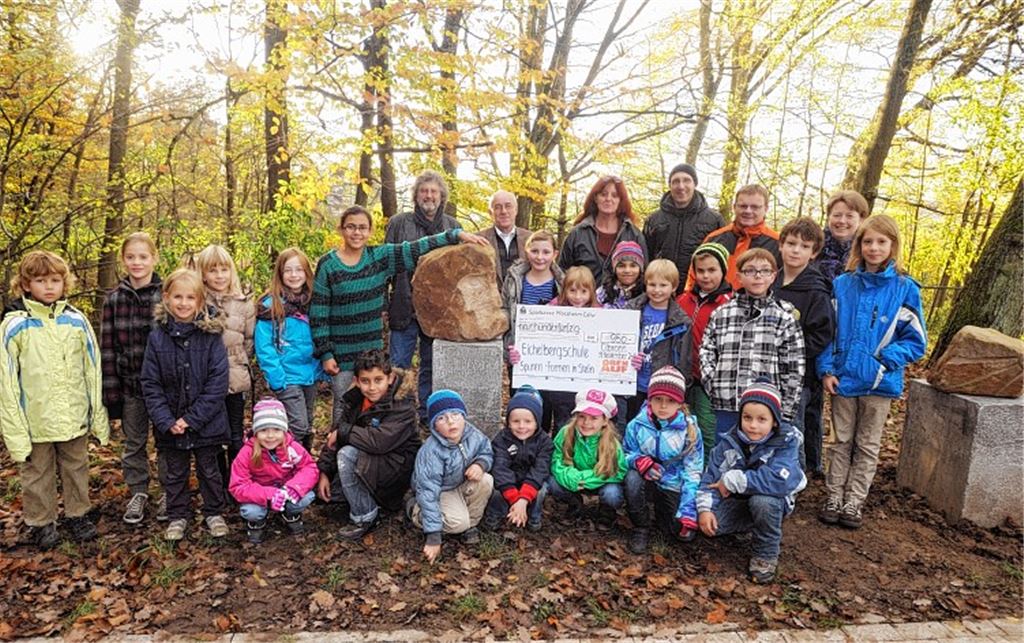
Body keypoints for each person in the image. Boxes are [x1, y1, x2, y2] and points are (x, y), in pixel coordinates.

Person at [313, 203, 484, 426]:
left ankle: (368, 457)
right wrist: (326, 354)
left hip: (370, 353)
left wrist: (455, 234)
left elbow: (417, 247)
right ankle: (337, 456)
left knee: (371, 410)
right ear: (342, 229)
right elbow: (318, 312)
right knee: (343, 409)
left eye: (363, 228)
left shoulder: (379, 257)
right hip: (341, 355)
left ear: (370, 231)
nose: (357, 233)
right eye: (351, 227)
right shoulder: (328, 265)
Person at [818, 215, 925, 529]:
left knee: (867, 445)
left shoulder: (905, 288)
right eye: (868, 242)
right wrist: (826, 369)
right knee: (839, 441)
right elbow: (829, 332)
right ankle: (833, 497)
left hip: (879, 382)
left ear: (893, 245)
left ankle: (854, 502)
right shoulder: (843, 284)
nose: (874, 248)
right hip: (843, 379)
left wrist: (884, 361)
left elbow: (916, 340)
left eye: (881, 241)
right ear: (858, 245)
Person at [0, 251, 109, 549]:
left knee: (77, 466)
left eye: (55, 280)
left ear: (64, 283)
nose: (48, 287)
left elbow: (92, 369)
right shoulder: (14, 325)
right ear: (25, 285)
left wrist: (96, 415)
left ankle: (77, 514)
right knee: (37, 473)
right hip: (35, 419)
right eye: (40, 280)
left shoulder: (76, 321)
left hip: (73, 415)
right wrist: (15, 430)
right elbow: (6, 382)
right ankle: (41, 521)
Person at [141, 268, 231, 542]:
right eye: (177, 297)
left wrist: (192, 418)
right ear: (166, 298)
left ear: (200, 302)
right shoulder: (157, 338)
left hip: (206, 422)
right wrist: (167, 421)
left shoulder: (211, 336)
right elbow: (150, 383)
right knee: (175, 472)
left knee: (209, 469)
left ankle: (214, 511)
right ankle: (177, 515)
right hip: (171, 424)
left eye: (190, 298)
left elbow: (218, 382)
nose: (183, 303)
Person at [697, 379, 807, 584]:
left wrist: (732, 480)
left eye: (761, 419)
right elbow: (709, 480)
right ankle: (748, 523)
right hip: (738, 501)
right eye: (747, 417)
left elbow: (779, 481)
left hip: (773, 501)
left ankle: (765, 554)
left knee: (763, 502)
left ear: (774, 421)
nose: (753, 425)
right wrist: (705, 510)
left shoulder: (787, 442)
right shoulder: (728, 442)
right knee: (707, 524)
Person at [699, 248, 804, 442]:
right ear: (738, 276)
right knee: (726, 458)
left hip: (766, 408)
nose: (757, 276)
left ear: (773, 276)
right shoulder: (722, 314)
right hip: (727, 401)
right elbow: (707, 351)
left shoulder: (783, 317)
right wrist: (712, 383)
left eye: (764, 271)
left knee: (761, 463)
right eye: (749, 271)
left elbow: (795, 367)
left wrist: (786, 410)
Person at [315, 349, 421, 540]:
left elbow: (378, 441)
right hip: (371, 461)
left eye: (378, 380)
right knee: (328, 496)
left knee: (346, 454)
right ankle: (359, 495)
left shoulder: (403, 403)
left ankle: (365, 515)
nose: (372, 387)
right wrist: (324, 472)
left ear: (390, 378)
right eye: (365, 381)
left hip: (397, 469)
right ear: (356, 380)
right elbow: (336, 433)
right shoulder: (355, 399)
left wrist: (343, 432)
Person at [101, 232, 166, 525]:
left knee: (167, 441)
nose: (137, 262)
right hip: (130, 386)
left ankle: (169, 491)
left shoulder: (167, 294)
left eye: (143, 256)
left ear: (154, 258)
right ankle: (138, 491)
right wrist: (111, 395)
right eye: (131, 257)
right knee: (134, 442)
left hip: (165, 387)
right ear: (123, 260)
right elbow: (109, 349)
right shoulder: (114, 299)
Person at [385, 171, 461, 424]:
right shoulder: (398, 223)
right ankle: (400, 416)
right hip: (403, 307)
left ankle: (428, 416)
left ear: (442, 197)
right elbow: (388, 264)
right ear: (416, 195)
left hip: (438, 313)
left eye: (434, 192)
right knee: (398, 366)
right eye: (424, 191)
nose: (429, 196)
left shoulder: (453, 226)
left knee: (432, 366)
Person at [772, 218, 833, 475]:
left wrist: (791, 352)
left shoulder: (816, 290)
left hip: (800, 374)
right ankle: (773, 469)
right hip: (767, 368)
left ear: (814, 252)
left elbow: (823, 334)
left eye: (804, 246)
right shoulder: (770, 282)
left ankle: (798, 473)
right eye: (791, 243)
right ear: (781, 245)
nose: (796, 250)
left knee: (795, 424)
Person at [509, 265, 599, 433]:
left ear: (591, 293)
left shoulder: (601, 315)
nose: (578, 297)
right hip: (549, 380)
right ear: (564, 290)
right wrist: (519, 354)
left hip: (578, 384)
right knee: (541, 421)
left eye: (583, 292)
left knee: (565, 425)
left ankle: (562, 457)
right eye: (572, 291)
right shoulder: (549, 312)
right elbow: (532, 344)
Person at [622, 366, 703, 553]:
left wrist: (688, 509)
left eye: (671, 401)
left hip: (673, 482)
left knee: (676, 531)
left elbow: (693, 470)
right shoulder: (636, 425)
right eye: (658, 399)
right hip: (645, 476)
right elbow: (624, 454)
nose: (663, 406)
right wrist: (639, 462)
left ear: (680, 402)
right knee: (631, 479)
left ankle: (664, 512)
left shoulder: (690, 431)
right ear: (649, 399)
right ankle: (640, 526)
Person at [409, 390, 494, 563]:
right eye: (441, 418)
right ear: (434, 425)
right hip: (441, 490)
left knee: (486, 480)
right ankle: (415, 511)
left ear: (464, 416)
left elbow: (486, 451)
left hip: (460, 484)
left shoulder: (473, 435)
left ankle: (470, 526)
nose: (450, 421)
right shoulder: (431, 452)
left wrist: (480, 464)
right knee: (456, 523)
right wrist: (433, 535)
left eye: (455, 414)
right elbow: (428, 490)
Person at [255, 247, 323, 452]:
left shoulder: (313, 302)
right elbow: (264, 346)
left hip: (309, 374)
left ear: (307, 273)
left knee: (308, 423)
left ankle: (303, 464)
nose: (294, 275)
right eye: (288, 270)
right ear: (280, 274)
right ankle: (288, 463)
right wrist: (277, 378)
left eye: (299, 270)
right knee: (298, 425)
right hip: (286, 377)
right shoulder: (271, 305)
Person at [195, 244, 255, 470]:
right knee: (212, 434)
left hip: (236, 376)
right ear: (203, 273)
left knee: (235, 432)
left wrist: (238, 361)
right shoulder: (198, 301)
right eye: (213, 270)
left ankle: (237, 479)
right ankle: (217, 481)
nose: (219, 276)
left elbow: (249, 340)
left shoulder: (243, 302)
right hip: (206, 379)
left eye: (224, 269)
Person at [229, 398, 319, 543]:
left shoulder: (292, 448)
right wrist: (270, 495)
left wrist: (293, 488)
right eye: (264, 430)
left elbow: (309, 467)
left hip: (286, 490)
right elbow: (238, 485)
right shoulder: (246, 453)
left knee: (307, 496)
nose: (270, 436)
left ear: (284, 431)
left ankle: (290, 513)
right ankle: (257, 522)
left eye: (276, 430)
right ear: (256, 432)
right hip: (260, 493)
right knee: (252, 511)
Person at [676, 242, 733, 456]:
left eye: (712, 270)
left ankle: (708, 478)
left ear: (723, 271)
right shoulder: (683, 300)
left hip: (710, 381)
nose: (705, 276)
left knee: (708, 431)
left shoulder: (729, 303)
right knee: (682, 428)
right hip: (683, 377)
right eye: (700, 271)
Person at [623, 259, 694, 426]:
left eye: (663, 285)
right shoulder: (630, 310)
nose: (657, 290)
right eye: (652, 285)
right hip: (633, 384)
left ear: (674, 287)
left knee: (657, 427)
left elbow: (684, 361)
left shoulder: (681, 321)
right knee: (632, 426)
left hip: (662, 389)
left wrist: (679, 389)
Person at [548, 388, 627, 528]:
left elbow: (618, 471)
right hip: (573, 480)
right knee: (552, 482)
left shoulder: (611, 442)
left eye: (594, 418)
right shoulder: (566, 433)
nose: (586, 423)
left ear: (604, 421)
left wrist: (585, 478)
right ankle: (575, 504)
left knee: (612, 494)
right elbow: (555, 459)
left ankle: (606, 512)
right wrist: (570, 475)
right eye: (582, 416)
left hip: (601, 482)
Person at [643, 163, 726, 293]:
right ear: (670, 186)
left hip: (698, 293)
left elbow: (722, 261)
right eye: (676, 181)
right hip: (661, 292)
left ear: (695, 184)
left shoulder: (714, 220)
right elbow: (646, 257)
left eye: (686, 180)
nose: (681, 186)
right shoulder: (654, 220)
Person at [483, 386, 553, 532]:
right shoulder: (501, 439)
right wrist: (515, 498)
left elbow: (541, 468)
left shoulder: (544, 441)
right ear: (508, 422)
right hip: (508, 480)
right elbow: (500, 467)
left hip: (531, 480)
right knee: (496, 490)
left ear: (537, 422)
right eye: (516, 421)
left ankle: (533, 516)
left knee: (541, 490)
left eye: (528, 421)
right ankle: (495, 514)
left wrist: (524, 498)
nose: (522, 426)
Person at [685, 184, 780, 291]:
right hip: (715, 305)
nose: (748, 211)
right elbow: (694, 276)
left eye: (755, 207)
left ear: (766, 208)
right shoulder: (715, 239)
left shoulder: (778, 244)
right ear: (734, 207)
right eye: (743, 206)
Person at [559, 175, 647, 285]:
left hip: (625, 301)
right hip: (581, 300)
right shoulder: (578, 234)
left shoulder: (634, 234)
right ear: (595, 198)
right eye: (603, 194)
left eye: (614, 195)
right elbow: (562, 272)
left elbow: (644, 275)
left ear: (620, 200)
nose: (608, 199)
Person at [501, 229, 565, 353]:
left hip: (552, 349)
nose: (540, 257)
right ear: (527, 251)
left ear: (555, 254)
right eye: (534, 251)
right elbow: (504, 310)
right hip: (517, 348)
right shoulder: (513, 279)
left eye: (546, 252)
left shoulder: (563, 284)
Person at [479, 190, 531, 287]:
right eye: (497, 207)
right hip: (491, 299)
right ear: (491, 213)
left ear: (516, 210)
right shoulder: (478, 240)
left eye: (508, 206)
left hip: (523, 300)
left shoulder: (531, 239)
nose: (504, 211)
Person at [816, 190, 869, 282]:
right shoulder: (813, 245)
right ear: (829, 217)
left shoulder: (868, 251)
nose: (842, 221)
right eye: (837, 215)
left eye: (849, 216)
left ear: (861, 219)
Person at [596, 241, 645, 309]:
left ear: (640, 268)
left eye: (633, 266)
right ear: (614, 268)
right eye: (622, 266)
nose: (627, 270)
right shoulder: (603, 292)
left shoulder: (647, 292)